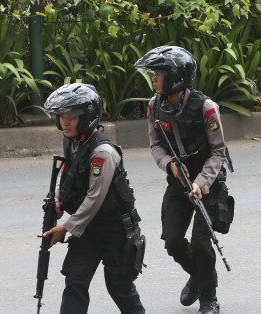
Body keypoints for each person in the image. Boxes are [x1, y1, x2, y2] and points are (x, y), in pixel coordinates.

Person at [134, 46, 230, 314]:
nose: (154, 79)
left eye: (159, 74)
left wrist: (201, 182)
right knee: (173, 242)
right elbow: (156, 147)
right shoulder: (154, 106)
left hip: (208, 182)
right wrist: (170, 165)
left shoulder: (207, 108)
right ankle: (199, 277)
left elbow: (218, 152)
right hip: (178, 180)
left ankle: (209, 297)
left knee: (201, 242)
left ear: (176, 77)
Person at [42, 83, 146, 314]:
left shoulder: (103, 152)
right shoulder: (71, 140)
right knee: (75, 283)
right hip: (87, 229)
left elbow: (95, 197)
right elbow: (69, 174)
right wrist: (60, 200)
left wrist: (65, 227)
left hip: (115, 230)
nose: (64, 122)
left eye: (71, 116)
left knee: (119, 288)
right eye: (61, 116)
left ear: (87, 116)